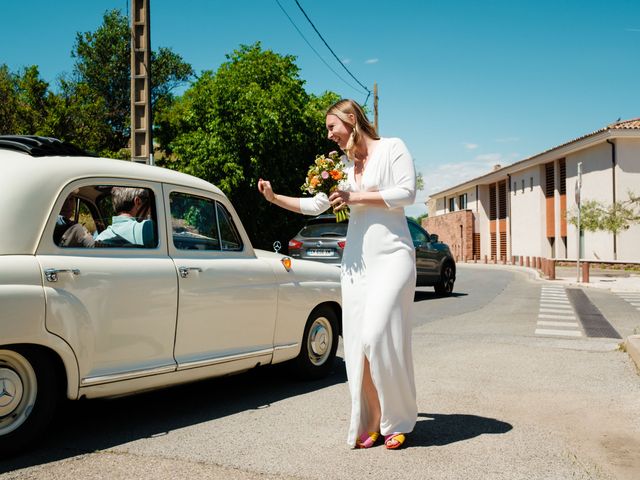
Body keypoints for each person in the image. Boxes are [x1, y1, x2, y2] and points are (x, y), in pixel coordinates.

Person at [258, 99, 417, 449]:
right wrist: (274, 199)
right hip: (357, 264)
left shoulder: (392, 148)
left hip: (392, 257)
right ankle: (373, 421)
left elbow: (407, 192)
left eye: (332, 126)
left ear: (351, 119)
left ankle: (400, 418)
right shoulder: (342, 167)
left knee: (378, 336)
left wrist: (356, 195)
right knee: (360, 343)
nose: (329, 134)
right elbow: (316, 204)